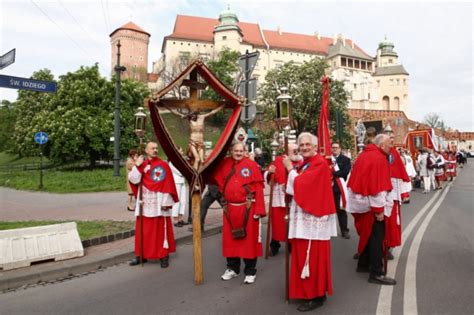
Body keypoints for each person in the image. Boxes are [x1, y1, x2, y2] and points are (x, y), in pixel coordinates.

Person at [283, 132, 337, 312]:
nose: (304, 147)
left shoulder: (319, 163)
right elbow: (295, 187)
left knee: (312, 258)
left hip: (314, 220)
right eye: (302, 145)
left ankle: (316, 295)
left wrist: (290, 169)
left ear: (315, 147)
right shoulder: (307, 164)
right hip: (304, 217)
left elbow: (301, 185)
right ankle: (307, 292)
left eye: (308, 144)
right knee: (302, 255)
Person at [346, 134, 396, 285]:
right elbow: (376, 187)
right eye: (389, 143)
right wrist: (379, 210)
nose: (391, 146)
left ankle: (363, 264)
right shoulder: (378, 158)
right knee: (376, 237)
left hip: (360, 200)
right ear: (381, 145)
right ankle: (376, 272)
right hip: (370, 203)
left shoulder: (366, 154)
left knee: (369, 233)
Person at [214, 141, 266, 284]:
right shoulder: (224, 164)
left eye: (241, 151)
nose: (238, 153)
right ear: (231, 150)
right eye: (235, 150)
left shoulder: (252, 166)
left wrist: (259, 210)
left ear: (245, 151)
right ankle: (232, 268)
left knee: (248, 241)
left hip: (248, 208)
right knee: (230, 240)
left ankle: (250, 271)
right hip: (229, 209)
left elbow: (259, 188)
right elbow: (214, 178)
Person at [128, 142, 179, 268]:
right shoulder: (142, 164)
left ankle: (163, 256)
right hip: (144, 202)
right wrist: (138, 166)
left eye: (157, 148)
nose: (155, 150)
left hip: (159, 202)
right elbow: (133, 180)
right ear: (146, 150)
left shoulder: (163, 165)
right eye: (152, 148)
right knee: (143, 231)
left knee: (160, 230)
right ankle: (141, 255)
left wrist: (166, 203)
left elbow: (168, 184)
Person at [264, 143, 302, 256]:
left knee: (292, 224)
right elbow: (267, 174)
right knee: (278, 224)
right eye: (293, 150)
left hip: (294, 198)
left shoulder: (301, 162)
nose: (296, 152)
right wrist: (270, 172)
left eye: (297, 149)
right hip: (279, 198)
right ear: (286, 151)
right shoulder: (278, 160)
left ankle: (291, 245)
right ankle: (274, 245)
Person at [164, 104, 225, 170]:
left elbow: (212, 112)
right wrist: (166, 106)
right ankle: (194, 175)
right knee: (197, 159)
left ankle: (199, 174)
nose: (192, 117)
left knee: (202, 161)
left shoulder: (202, 117)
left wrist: (222, 106)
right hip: (193, 142)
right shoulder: (190, 119)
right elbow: (176, 113)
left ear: (196, 114)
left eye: (193, 115)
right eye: (190, 116)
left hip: (200, 142)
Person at [385, 142, 411, 259]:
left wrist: (404, 193)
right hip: (377, 198)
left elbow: (400, 175)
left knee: (391, 225)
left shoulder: (394, 155)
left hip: (392, 197)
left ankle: (387, 247)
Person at [331, 142, 351, 239]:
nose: (334, 149)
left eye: (336, 147)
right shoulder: (327, 159)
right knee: (327, 211)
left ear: (340, 149)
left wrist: (333, 173)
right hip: (328, 189)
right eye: (333, 147)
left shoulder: (346, 160)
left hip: (339, 189)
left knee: (341, 210)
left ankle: (344, 230)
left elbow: (345, 172)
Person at [169, 161, 189, 227]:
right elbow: (179, 172)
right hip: (176, 182)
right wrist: (185, 171)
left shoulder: (180, 160)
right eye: (180, 150)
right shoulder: (171, 162)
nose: (181, 152)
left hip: (182, 181)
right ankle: (175, 220)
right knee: (177, 201)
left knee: (183, 201)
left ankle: (180, 218)